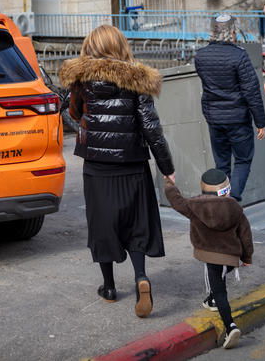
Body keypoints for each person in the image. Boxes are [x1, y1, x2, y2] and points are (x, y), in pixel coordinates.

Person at [59, 25, 175, 318]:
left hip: (97, 166)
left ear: (91, 45)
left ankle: (109, 287)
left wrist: (89, 129)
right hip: (133, 163)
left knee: (103, 225)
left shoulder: (80, 79)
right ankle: (140, 278)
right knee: (137, 222)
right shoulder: (138, 78)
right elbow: (151, 127)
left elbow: (73, 115)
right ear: (121, 45)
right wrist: (167, 168)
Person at [163, 169, 254, 350]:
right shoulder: (235, 208)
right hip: (230, 255)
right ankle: (212, 300)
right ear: (226, 189)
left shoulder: (193, 206)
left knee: (220, 291)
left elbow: (176, 200)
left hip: (208, 254)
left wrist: (169, 183)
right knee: (221, 276)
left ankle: (230, 327)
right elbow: (245, 235)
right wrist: (247, 257)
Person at [194, 15, 265, 202]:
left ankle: (219, 203)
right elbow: (252, 91)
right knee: (242, 160)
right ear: (233, 32)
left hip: (214, 119)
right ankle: (232, 199)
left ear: (213, 32)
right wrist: (260, 122)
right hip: (238, 119)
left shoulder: (200, 56)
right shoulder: (239, 55)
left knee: (222, 163)